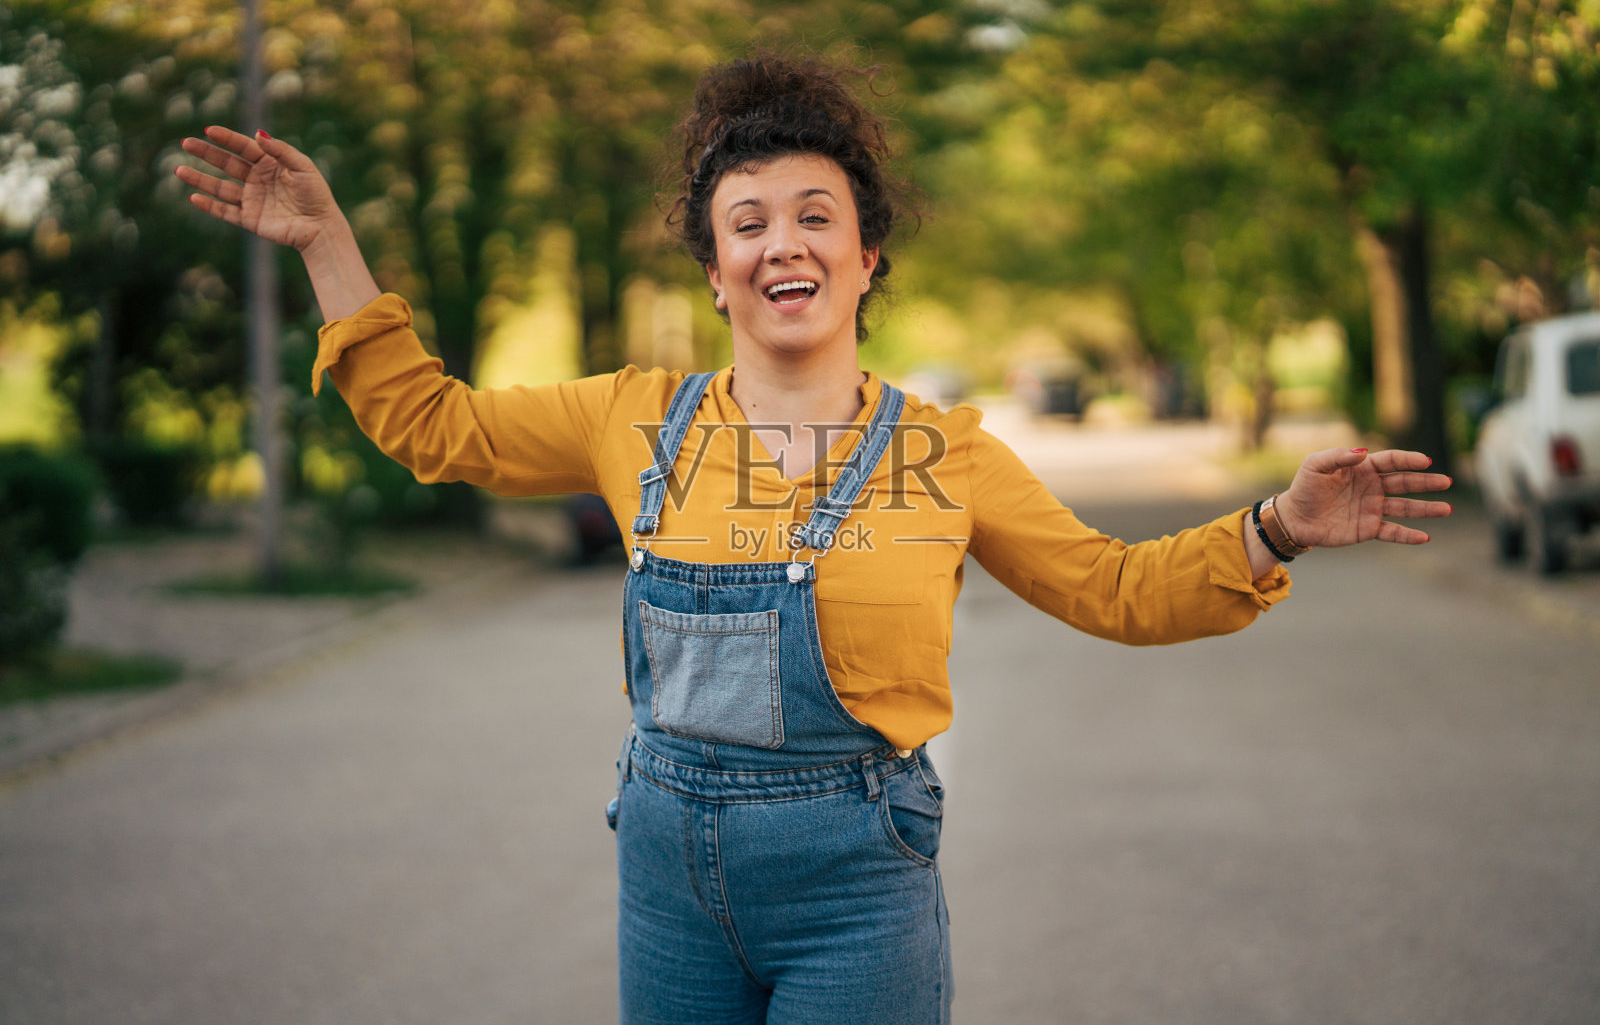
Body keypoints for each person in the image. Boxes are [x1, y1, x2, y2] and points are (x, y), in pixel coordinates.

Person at [178, 54, 1452, 1024]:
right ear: (715, 270)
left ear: (862, 257)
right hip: (667, 873)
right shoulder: (630, 419)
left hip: (858, 877)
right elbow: (432, 423)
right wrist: (329, 246)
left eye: (812, 215)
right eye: (747, 222)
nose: (780, 239)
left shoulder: (945, 452)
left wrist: (1275, 525)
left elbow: (1112, 587)